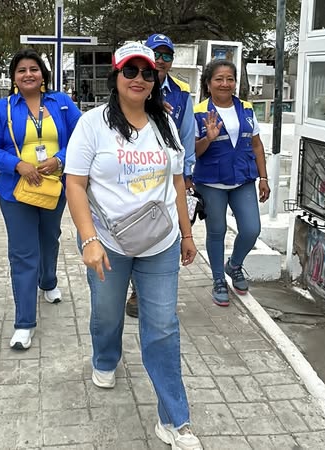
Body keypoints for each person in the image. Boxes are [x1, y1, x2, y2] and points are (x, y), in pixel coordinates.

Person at [65, 42, 202, 450]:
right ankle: (106, 358)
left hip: (160, 242)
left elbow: (176, 183)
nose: (139, 79)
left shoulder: (165, 123)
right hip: (108, 242)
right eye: (130, 71)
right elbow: (75, 184)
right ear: (116, 76)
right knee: (107, 313)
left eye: (147, 72)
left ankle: (174, 419)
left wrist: (187, 234)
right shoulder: (92, 124)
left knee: (162, 327)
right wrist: (89, 239)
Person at [0, 49, 81, 350]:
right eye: (21, 70)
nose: (28, 74)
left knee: (49, 239)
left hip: (53, 187)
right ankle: (24, 323)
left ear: (42, 74)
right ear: (14, 77)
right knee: (23, 253)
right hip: (17, 192)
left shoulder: (61, 103)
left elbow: (82, 138)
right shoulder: (3, 108)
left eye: (33, 69)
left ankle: (48, 282)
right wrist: (17, 165)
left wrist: (60, 159)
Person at [124, 33, 197, 318]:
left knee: (166, 228)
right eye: (157, 54)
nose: (162, 60)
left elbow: (187, 135)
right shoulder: (132, 85)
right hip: (137, 172)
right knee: (138, 227)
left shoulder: (181, 92)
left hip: (170, 175)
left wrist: (187, 172)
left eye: (167, 55)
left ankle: (154, 287)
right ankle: (136, 289)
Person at [193, 60, 270, 306]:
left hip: (242, 179)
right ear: (208, 84)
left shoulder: (246, 109)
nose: (225, 84)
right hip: (211, 182)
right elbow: (193, 153)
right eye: (219, 79)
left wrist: (264, 177)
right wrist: (208, 138)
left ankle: (234, 265)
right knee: (217, 232)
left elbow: (256, 145)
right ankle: (218, 279)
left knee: (251, 229)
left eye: (230, 79)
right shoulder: (198, 112)